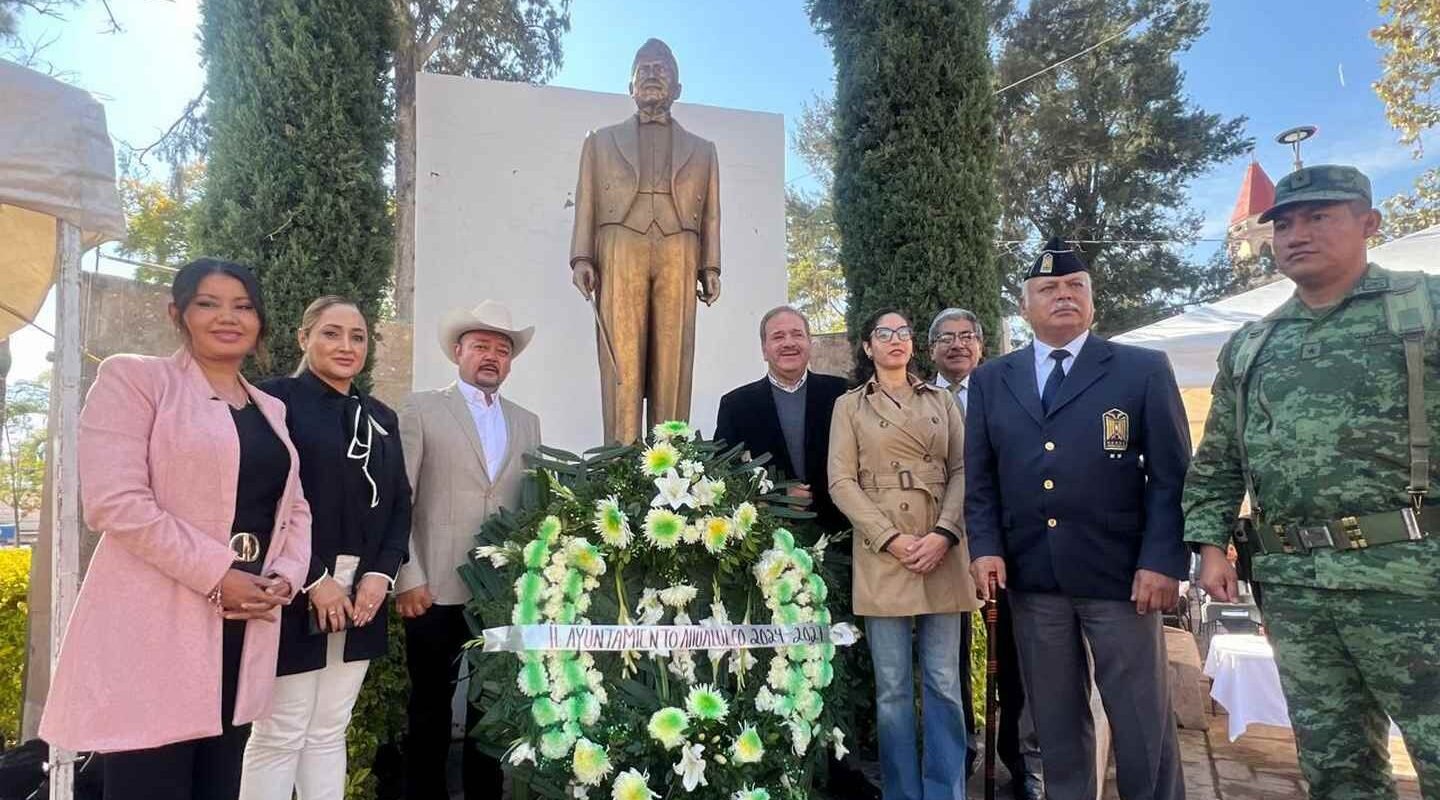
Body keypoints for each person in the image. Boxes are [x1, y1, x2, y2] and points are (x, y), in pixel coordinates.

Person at [1184, 165, 1440, 798]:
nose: (1297, 234)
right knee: (1335, 767)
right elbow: (1219, 457)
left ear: (1369, 223)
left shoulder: (1424, 306)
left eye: (1319, 217)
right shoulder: (1253, 343)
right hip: (1297, 586)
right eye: (1285, 223)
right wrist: (1210, 544)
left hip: (1411, 578)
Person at [39, 258, 311, 800]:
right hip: (158, 622)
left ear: (260, 321)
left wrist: (285, 576)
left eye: (243, 306)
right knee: (149, 779)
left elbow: (295, 509)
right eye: (208, 303)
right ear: (178, 314)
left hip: (245, 619)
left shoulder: (271, 409)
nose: (227, 317)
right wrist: (218, 572)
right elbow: (116, 502)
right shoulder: (136, 379)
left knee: (221, 780)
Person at [966, 239, 1190, 800]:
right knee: (1056, 726)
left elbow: (1171, 475)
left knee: (1143, 724)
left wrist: (1162, 561)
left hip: (1123, 580)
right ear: (1025, 306)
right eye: (1048, 289)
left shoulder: (1140, 369)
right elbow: (981, 478)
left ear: (1092, 299)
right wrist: (985, 547)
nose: (1062, 296)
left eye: (1075, 287)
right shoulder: (994, 379)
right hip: (1034, 578)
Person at [240, 297, 412, 799]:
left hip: (364, 595)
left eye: (357, 337)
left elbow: (400, 502)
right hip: (294, 587)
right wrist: (314, 581)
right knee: (280, 731)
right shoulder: (273, 401)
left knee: (329, 728)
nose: (346, 346)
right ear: (304, 338)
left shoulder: (381, 416)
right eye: (332, 333)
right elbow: (262, 499)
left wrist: (382, 576)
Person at [396, 300, 542, 800]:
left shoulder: (528, 421)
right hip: (433, 586)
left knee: (492, 707)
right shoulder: (420, 408)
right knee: (431, 706)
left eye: (502, 350)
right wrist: (407, 575)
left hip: (499, 594)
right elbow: (401, 498)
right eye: (481, 346)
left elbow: (530, 505)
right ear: (458, 351)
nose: (491, 357)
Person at [829, 308, 977, 800]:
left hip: (941, 549)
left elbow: (962, 470)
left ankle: (946, 791)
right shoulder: (849, 407)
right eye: (883, 333)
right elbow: (841, 482)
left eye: (903, 333)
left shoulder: (942, 401)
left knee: (943, 683)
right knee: (892, 690)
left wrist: (945, 533)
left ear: (913, 344)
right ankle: (901, 793)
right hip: (884, 551)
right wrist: (889, 537)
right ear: (868, 347)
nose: (895, 340)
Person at [568, 37, 721, 444]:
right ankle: (619, 458)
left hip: (680, 249)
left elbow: (711, 213)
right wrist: (581, 256)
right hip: (619, 244)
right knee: (622, 360)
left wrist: (711, 266)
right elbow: (586, 202)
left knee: (673, 362)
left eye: (662, 70)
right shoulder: (599, 141)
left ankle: (669, 462)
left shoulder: (703, 150)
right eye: (644, 70)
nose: (652, 76)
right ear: (630, 85)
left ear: (678, 89)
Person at [927, 308, 1043, 799]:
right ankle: (962, 752)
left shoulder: (1008, 391)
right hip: (939, 544)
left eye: (967, 337)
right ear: (930, 349)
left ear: (981, 345)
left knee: (1016, 658)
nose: (957, 345)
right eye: (946, 338)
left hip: (1005, 543)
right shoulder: (917, 399)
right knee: (946, 663)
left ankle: (1023, 763)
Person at [714, 305, 849, 535]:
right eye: (778, 336)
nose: (789, 343)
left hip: (839, 533)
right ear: (764, 350)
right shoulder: (736, 405)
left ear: (809, 344)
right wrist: (775, 495)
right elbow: (724, 472)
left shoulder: (841, 394)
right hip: (769, 539)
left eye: (797, 334)